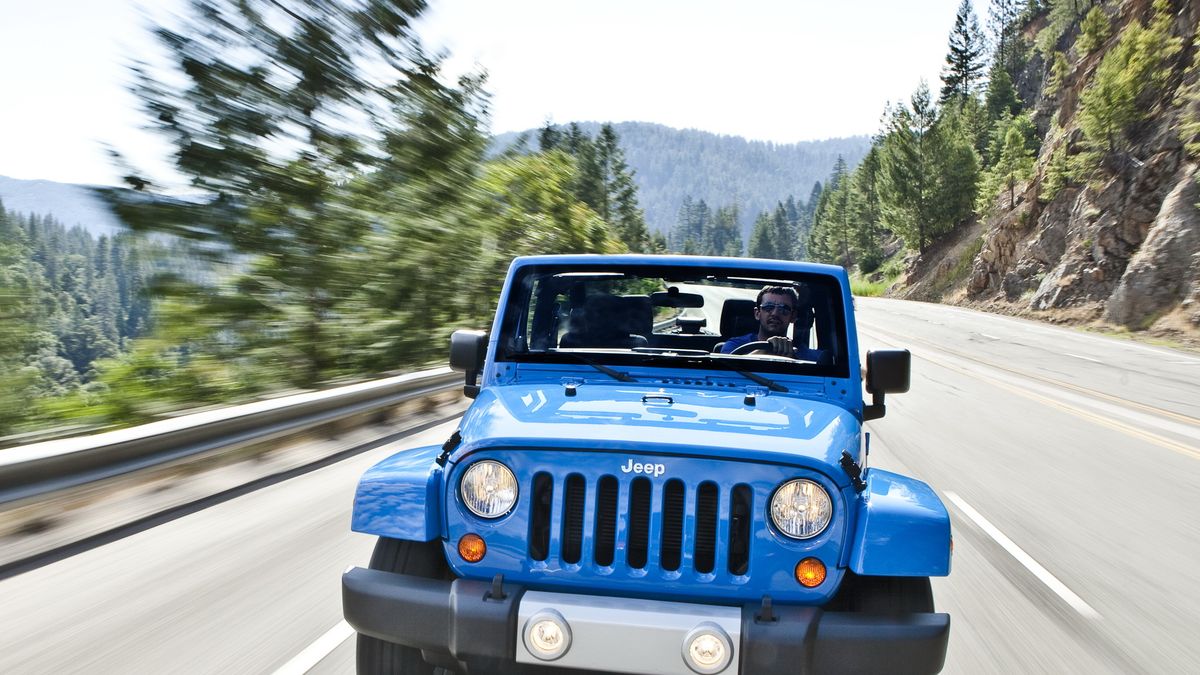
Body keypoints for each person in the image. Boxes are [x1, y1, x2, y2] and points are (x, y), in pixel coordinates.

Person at [719, 286, 830, 364]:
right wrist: (766, 349)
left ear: (793, 316)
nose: (775, 314)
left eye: (784, 309)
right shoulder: (734, 346)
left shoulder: (802, 352)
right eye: (768, 307)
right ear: (757, 313)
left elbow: (828, 364)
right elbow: (726, 368)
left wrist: (794, 358)